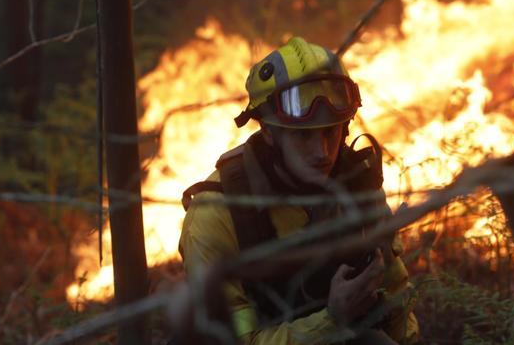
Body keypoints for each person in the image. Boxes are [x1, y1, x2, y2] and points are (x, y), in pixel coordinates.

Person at [178, 37, 419, 344]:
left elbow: (395, 288)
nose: (321, 152)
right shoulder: (216, 214)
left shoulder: (357, 185)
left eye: (330, 132)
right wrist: (332, 319)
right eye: (302, 136)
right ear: (268, 131)